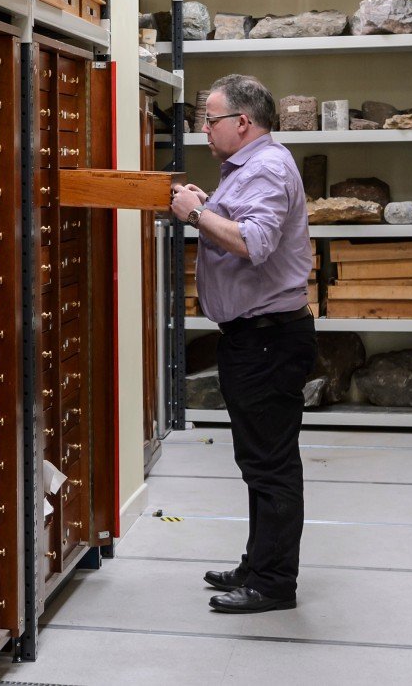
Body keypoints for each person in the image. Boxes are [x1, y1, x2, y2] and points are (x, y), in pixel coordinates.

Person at [169, 74, 316, 614]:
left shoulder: (267, 167)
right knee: (258, 460)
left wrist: (194, 214)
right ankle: (258, 562)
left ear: (243, 122)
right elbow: (243, 222)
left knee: (271, 463)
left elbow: (254, 242)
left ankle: (274, 582)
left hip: (267, 342)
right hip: (255, 340)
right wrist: (209, 208)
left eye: (210, 120)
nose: (204, 129)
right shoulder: (250, 168)